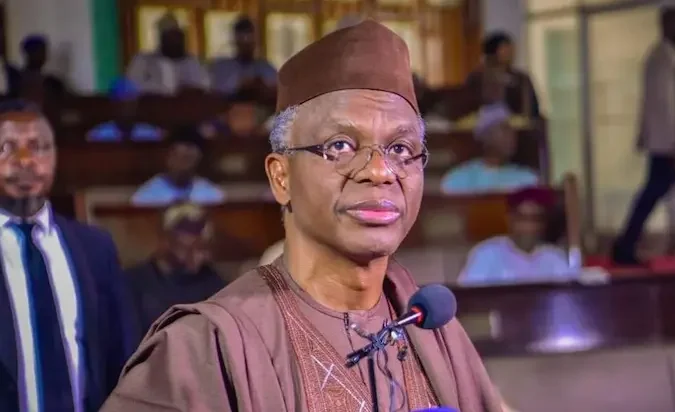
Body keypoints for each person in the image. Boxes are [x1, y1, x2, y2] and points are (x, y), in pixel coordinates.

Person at [101, 21, 503, 412]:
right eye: (340, 145)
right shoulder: (205, 347)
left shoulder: (432, 329)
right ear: (282, 177)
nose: (380, 171)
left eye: (400, 149)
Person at [0, 100, 137, 411]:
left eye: (38, 147)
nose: (25, 161)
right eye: (7, 148)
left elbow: (123, 355)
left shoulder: (95, 248)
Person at [612, 6, 675, 265]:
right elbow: (665, 104)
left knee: (661, 192)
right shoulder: (661, 59)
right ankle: (625, 244)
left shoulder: (669, 57)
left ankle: (630, 243)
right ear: (667, 26)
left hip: (669, 140)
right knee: (653, 191)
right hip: (667, 142)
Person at [127, 203, 226, 338]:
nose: (199, 256)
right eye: (188, 248)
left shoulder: (214, 284)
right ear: (165, 241)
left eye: (202, 247)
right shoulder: (135, 284)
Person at [457, 187, 573, 286]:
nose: (528, 226)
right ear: (510, 219)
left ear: (544, 224)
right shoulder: (485, 254)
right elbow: (469, 298)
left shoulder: (554, 257)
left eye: (535, 219)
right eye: (522, 218)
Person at [441, 102, 539, 194]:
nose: (512, 136)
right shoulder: (458, 180)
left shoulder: (527, 179)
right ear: (486, 138)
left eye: (512, 131)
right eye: (504, 130)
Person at [131, 126, 225, 206]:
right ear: (167, 156)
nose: (182, 165)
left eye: (188, 158)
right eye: (178, 157)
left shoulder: (212, 195)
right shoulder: (146, 197)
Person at [126, 13, 209, 95]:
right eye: (170, 36)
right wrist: (162, 88)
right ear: (162, 38)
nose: (176, 41)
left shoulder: (192, 62)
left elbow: (205, 85)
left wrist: (187, 88)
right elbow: (130, 87)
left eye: (178, 36)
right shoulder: (144, 60)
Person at [464, 32, 539, 117]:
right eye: (505, 49)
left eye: (511, 49)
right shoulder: (476, 78)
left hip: (518, 122)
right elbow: (468, 107)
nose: (511, 53)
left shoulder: (521, 78)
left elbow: (533, 108)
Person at [209, 16, 276, 99]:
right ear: (235, 41)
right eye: (242, 41)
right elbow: (215, 92)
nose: (246, 46)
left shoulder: (266, 68)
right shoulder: (223, 68)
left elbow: (276, 90)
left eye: (249, 41)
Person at [87, 77, 163, 142]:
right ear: (114, 105)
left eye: (130, 103)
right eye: (122, 103)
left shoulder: (151, 134)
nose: (126, 108)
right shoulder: (98, 135)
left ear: (136, 104)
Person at [18, 35, 66, 106]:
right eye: (39, 52)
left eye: (43, 52)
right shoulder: (17, 79)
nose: (43, 56)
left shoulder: (52, 82)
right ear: (28, 53)